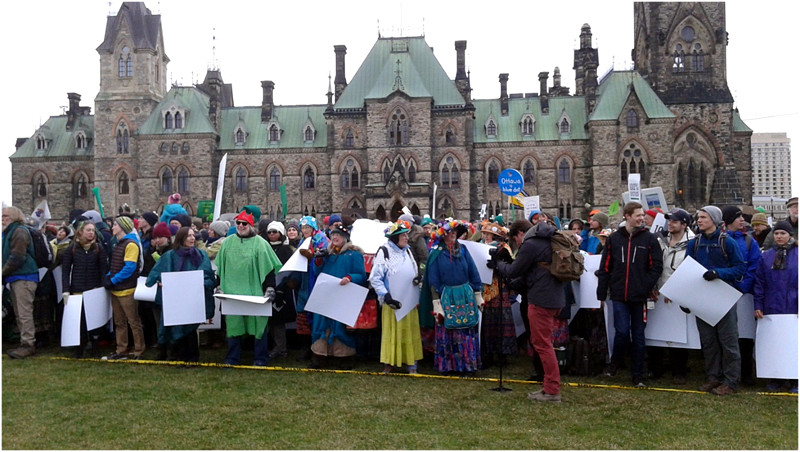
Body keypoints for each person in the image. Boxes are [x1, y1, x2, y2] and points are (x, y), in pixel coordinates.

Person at [490, 216, 565, 402]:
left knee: (543, 345)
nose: (517, 243)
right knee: (544, 343)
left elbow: (514, 270)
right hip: (553, 297)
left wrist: (498, 264)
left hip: (540, 300)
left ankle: (552, 390)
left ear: (521, 234)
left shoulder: (531, 244)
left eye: (515, 240)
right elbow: (530, 273)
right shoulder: (546, 242)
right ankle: (548, 386)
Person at [596, 201, 663, 387]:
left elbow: (656, 266)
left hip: (640, 296)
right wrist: (601, 293)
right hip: (618, 294)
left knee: (639, 335)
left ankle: (637, 374)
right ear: (627, 216)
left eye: (643, 215)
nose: (642, 218)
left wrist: (646, 285)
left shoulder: (649, 239)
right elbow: (606, 266)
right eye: (638, 215)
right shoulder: (614, 239)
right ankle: (615, 362)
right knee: (622, 332)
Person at [685, 205, 746, 395]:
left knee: (728, 341)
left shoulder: (727, 243)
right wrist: (686, 299)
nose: (699, 221)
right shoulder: (694, 243)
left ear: (714, 220)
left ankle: (731, 381)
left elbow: (739, 269)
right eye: (698, 217)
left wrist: (718, 273)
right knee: (708, 341)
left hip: (724, 297)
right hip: (703, 298)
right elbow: (686, 272)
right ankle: (714, 377)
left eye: (703, 217)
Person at [216, 209, 282, 366]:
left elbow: (269, 268)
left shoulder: (261, 243)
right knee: (233, 326)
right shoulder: (228, 242)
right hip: (232, 294)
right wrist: (218, 284)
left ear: (251, 225)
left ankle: (260, 358)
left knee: (259, 326)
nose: (240, 225)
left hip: (255, 293)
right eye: (238, 223)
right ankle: (232, 358)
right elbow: (221, 267)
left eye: (244, 223)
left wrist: (270, 288)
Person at [420, 220, 483, 376]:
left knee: (466, 330)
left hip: (465, 295)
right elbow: (433, 280)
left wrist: (478, 294)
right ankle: (449, 366)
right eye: (450, 231)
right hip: (447, 296)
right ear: (443, 235)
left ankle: (468, 366)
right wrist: (436, 303)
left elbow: (473, 272)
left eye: (455, 231)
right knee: (448, 330)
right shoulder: (436, 254)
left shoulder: (464, 250)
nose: (453, 233)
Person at [145, 227, 216, 362]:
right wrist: (160, 281)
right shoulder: (170, 256)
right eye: (188, 236)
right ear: (181, 238)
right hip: (176, 299)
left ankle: (193, 357)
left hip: (192, 297)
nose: (192, 238)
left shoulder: (200, 255)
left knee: (190, 328)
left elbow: (206, 273)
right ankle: (180, 355)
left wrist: (201, 282)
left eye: (193, 235)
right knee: (177, 325)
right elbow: (156, 273)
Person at [369, 220, 424, 374]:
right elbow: (376, 278)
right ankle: (390, 362)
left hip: (409, 299)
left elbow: (414, 268)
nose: (407, 237)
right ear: (395, 237)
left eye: (407, 234)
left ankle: (411, 362)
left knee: (409, 330)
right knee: (392, 332)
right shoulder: (384, 252)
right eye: (403, 235)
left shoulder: (407, 251)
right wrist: (385, 296)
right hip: (392, 301)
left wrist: (418, 279)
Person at [647, 208, 694, 384]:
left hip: (678, 295)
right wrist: (652, 286)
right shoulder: (659, 240)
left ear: (684, 224)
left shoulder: (692, 243)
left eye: (674, 221)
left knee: (678, 336)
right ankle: (655, 368)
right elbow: (653, 264)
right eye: (669, 220)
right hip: (658, 292)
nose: (670, 223)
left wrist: (676, 290)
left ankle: (679, 370)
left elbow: (690, 271)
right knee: (654, 332)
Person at [310, 223, 367, 369]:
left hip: (343, 297)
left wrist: (349, 277)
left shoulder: (354, 255)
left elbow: (361, 275)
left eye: (338, 235)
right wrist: (318, 260)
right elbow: (317, 272)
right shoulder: (327, 254)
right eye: (333, 235)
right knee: (322, 324)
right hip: (327, 296)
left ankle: (344, 356)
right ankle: (320, 354)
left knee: (340, 325)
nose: (334, 237)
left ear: (345, 238)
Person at [753, 220, 798, 392]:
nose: (779, 237)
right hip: (772, 306)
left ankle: (795, 378)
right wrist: (758, 304)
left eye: (783, 234)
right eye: (777, 233)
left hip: (793, 306)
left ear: (790, 236)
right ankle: (776, 377)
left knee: (794, 343)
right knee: (775, 343)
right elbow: (759, 282)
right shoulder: (765, 256)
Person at [721, 205, 763, 386]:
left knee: (745, 338)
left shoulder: (749, 241)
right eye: (738, 217)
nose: (742, 220)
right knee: (727, 337)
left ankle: (746, 374)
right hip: (723, 293)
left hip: (744, 295)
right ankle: (728, 373)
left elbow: (754, 266)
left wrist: (742, 286)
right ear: (729, 220)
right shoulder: (720, 240)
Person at [60, 219, 107, 358]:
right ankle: (79, 348)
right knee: (79, 323)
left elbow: (103, 269)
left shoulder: (99, 248)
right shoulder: (72, 248)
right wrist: (65, 290)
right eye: (88, 230)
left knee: (94, 323)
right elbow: (66, 271)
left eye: (93, 230)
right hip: (77, 290)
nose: (91, 233)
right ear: (80, 232)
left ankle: (95, 347)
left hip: (94, 291)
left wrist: (103, 287)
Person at [103, 215, 146, 360]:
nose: (112, 227)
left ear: (122, 227)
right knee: (119, 322)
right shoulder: (119, 243)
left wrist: (113, 279)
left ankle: (139, 349)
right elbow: (115, 265)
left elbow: (129, 267)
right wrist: (109, 276)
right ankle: (121, 348)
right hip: (117, 288)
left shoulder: (130, 245)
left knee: (133, 321)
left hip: (127, 289)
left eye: (115, 225)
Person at [3, 206, 40, 359]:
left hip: (24, 277)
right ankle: (24, 342)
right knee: (20, 313)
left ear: (14, 217)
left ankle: (28, 344)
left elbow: (17, 257)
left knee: (24, 313)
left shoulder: (19, 231)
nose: (2, 218)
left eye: (5, 216)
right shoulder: (11, 231)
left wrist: (2, 272)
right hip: (16, 277)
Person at [478, 222, 517, 368]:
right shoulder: (480, 246)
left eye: (488, 234)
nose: (485, 237)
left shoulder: (503, 248)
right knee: (487, 322)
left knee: (501, 322)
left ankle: (502, 355)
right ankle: (487, 354)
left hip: (499, 289)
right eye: (485, 234)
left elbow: (509, 266)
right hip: (485, 288)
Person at [295, 216, 329, 360]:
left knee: (315, 315)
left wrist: (312, 258)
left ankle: (318, 349)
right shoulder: (303, 241)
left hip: (316, 281)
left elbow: (325, 259)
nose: (305, 230)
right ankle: (307, 348)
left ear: (313, 228)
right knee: (303, 314)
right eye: (302, 228)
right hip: (304, 282)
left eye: (307, 227)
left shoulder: (321, 239)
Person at [263, 221, 297, 361]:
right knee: (268, 320)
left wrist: (281, 289)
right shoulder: (264, 248)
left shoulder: (286, 250)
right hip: (266, 288)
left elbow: (289, 271)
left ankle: (281, 348)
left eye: (275, 232)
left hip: (282, 289)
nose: (272, 235)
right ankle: (272, 346)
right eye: (269, 232)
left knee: (278, 321)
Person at [141, 221, 172, 358]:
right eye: (155, 238)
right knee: (158, 321)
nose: (158, 240)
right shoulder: (150, 253)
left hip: (169, 292)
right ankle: (162, 348)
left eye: (161, 237)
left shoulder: (171, 252)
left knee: (169, 321)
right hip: (154, 293)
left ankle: (171, 348)